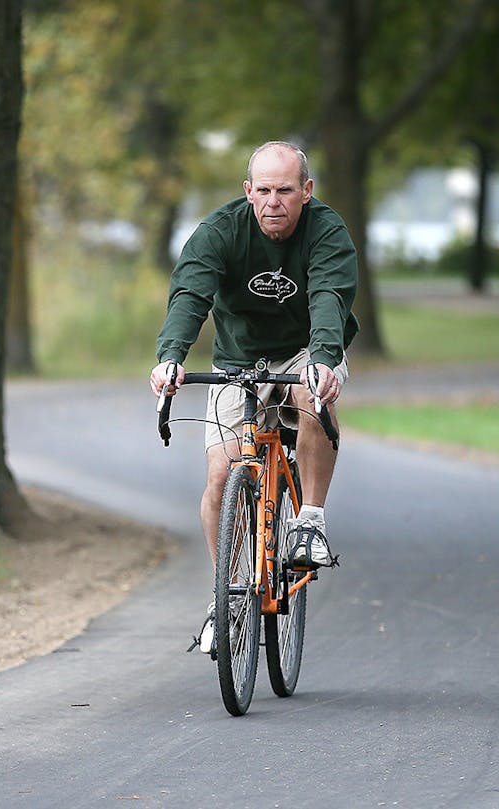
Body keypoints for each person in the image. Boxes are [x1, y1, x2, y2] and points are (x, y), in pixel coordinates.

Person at [148, 140, 358, 655]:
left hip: (304, 350)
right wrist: (171, 356)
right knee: (222, 474)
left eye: (285, 190)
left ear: (305, 191)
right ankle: (225, 597)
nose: (273, 201)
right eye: (263, 190)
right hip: (237, 361)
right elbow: (191, 294)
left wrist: (326, 359)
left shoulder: (326, 231)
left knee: (314, 394)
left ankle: (309, 522)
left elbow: (330, 295)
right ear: (248, 191)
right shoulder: (220, 232)